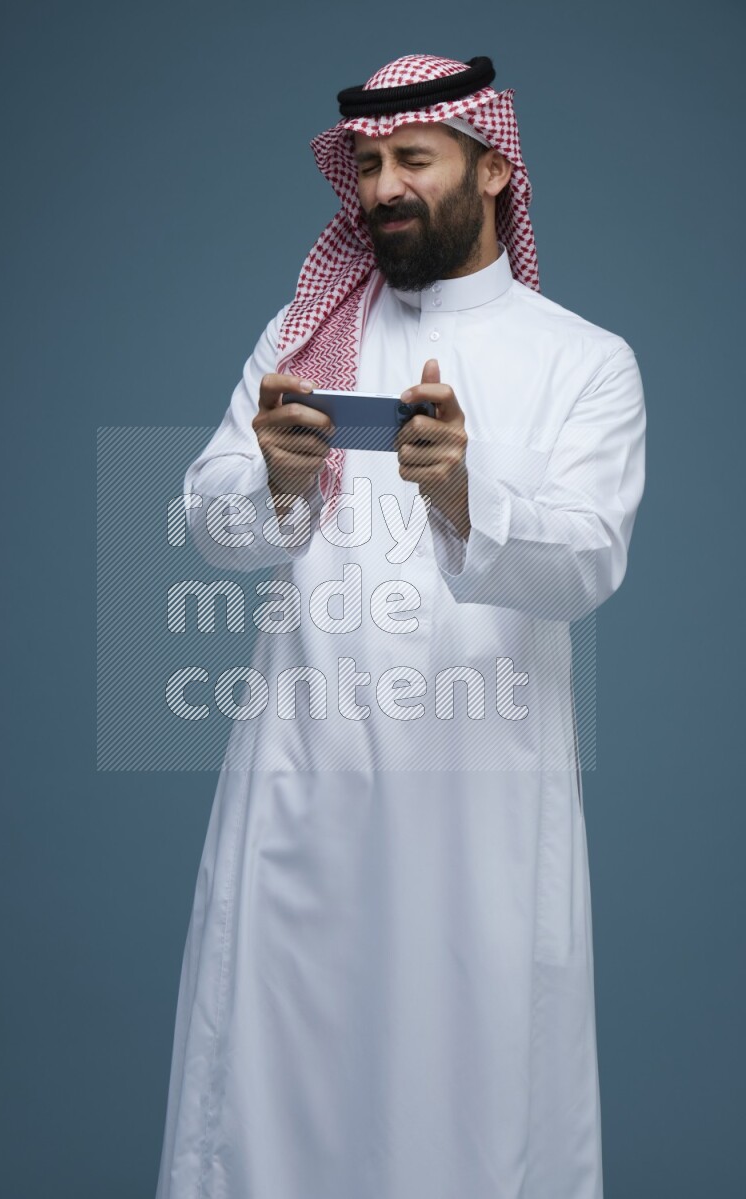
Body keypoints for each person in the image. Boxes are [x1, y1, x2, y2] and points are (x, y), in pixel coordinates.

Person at [155, 53, 646, 1199]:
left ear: (494, 171)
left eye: (411, 159)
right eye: (366, 164)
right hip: (301, 793)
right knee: (272, 1100)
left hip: (476, 814)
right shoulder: (302, 333)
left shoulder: (582, 362)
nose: (382, 187)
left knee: (465, 1112)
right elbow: (209, 521)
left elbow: (586, 562)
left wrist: (465, 495)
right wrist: (273, 479)